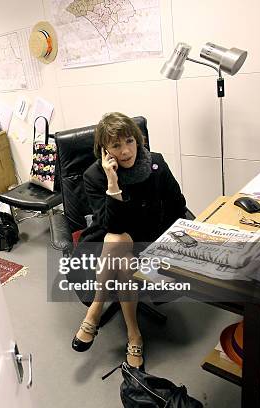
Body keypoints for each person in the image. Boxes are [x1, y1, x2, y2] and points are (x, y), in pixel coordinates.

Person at [69, 113, 186, 370]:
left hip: (149, 237)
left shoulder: (157, 164)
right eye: (116, 146)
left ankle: (94, 312)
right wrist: (112, 183)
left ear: (139, 139)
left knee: (124, 253)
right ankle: (134, 335)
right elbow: (112, 225)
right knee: (119, 240)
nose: (125, 151)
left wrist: (167, 243)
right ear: (105, 150)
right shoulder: (95, 176)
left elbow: (179, 205)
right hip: (106, 240)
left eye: (130, 141)